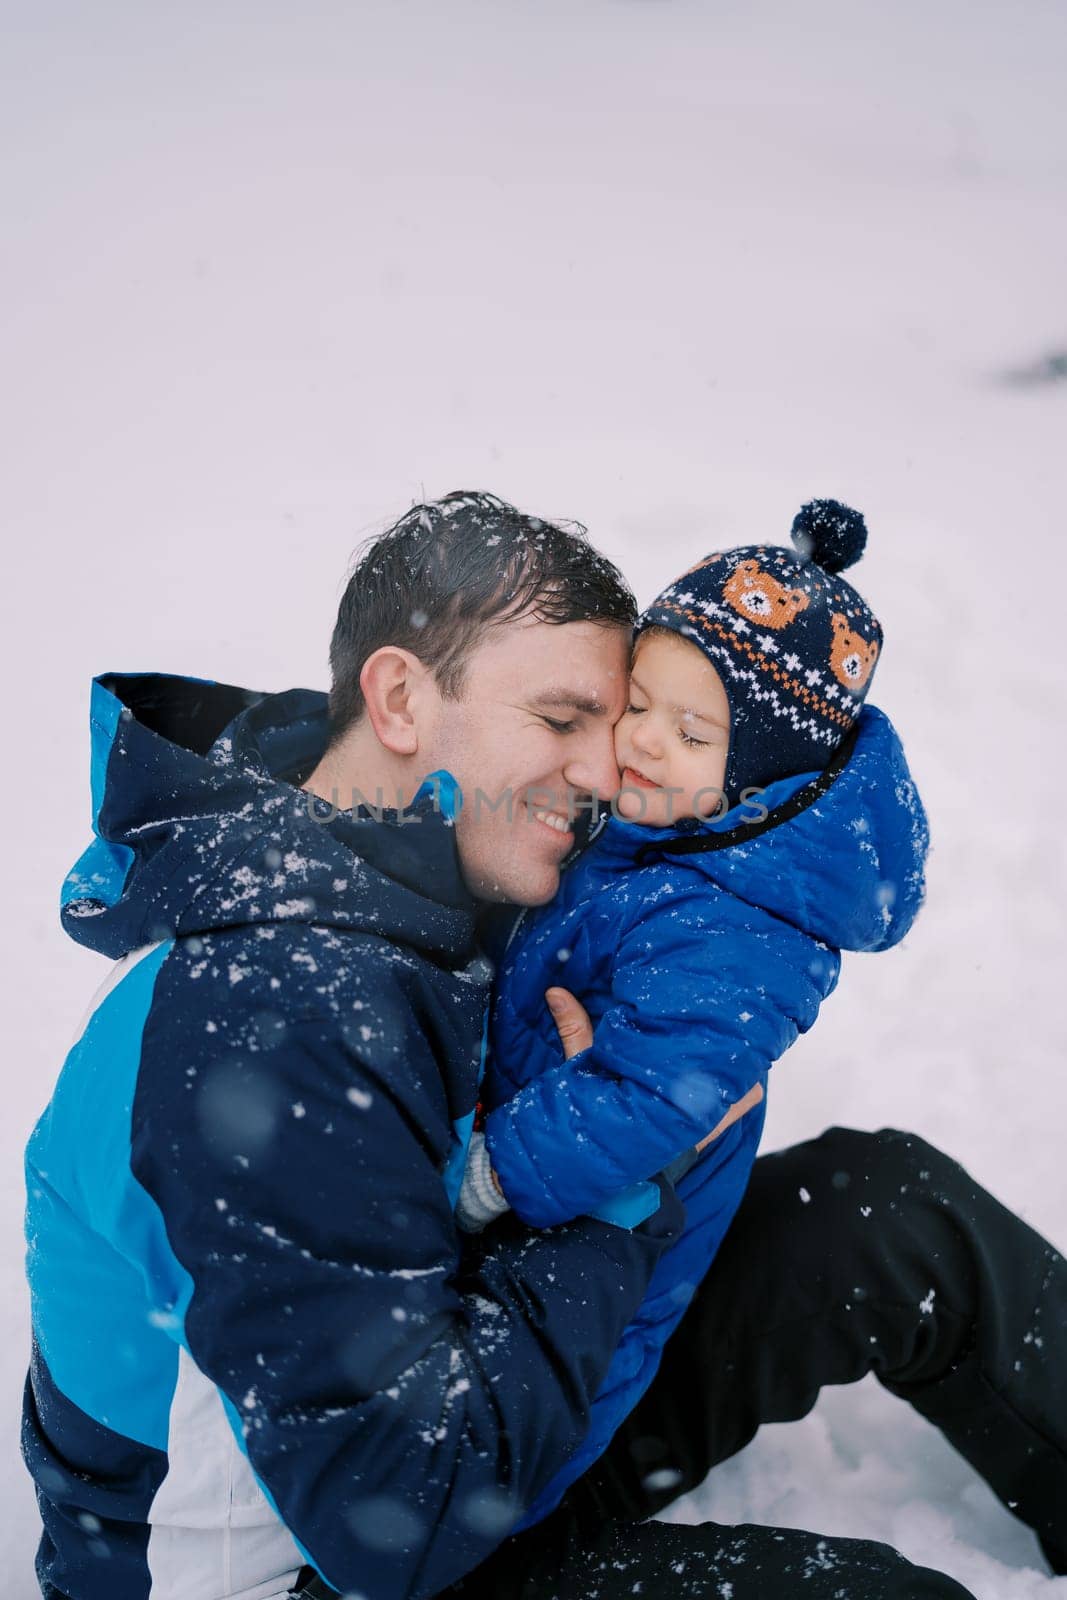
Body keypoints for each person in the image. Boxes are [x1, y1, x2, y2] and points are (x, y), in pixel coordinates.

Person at [21, 492, 1064, 1600]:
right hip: (332, 1553)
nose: (607, 769)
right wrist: (613, 1188)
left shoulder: (408, 840)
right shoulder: (270, 1028)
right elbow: (404, 1516)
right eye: (562, 720)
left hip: (482, 1394)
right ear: (398, 697)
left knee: (892, 1214)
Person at [453, 501, 931, 1530]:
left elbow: (641, 1098)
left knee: (532, 1431)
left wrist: (486, 1177)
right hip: (538, 1243)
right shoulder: (656, 835)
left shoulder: (739, 929)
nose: (642, 742)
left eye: (692, 732)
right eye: (640, 704)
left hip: (583, 1300)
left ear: (751, 778)